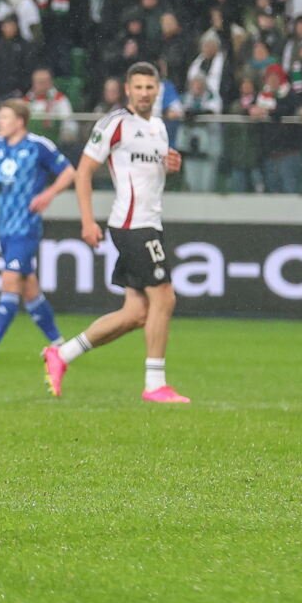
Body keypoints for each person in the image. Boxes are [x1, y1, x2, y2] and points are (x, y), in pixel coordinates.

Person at [43, 62, 189, 404]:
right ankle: (155, 384)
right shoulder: (115, 123)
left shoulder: (159, 128)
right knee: (164, 296)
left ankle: (61, 355)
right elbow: (84, 172)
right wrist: (87, 221)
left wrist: (172, 166)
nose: (143, 93)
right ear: (127, 90)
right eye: (137, 87)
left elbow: (150, 174)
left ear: (158, 90)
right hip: (131, 224)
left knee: (137, 313)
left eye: (149, 87)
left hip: (150, 222)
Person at [0, 100, 76, 361]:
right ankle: (60, 347)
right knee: (30, 290)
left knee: (10, 281)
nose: (0, 122)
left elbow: (69, 172)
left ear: (20, 121)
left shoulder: (38, 146)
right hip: (4, 227)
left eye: (5, 117)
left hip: (27, 227)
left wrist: (48, 195)